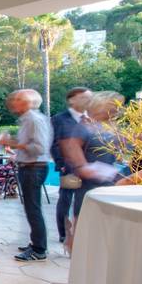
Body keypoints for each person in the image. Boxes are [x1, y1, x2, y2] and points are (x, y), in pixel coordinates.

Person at [0, 89, 53, 261]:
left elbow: (39, 148)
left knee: (33, 208)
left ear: (27, 102)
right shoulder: (27, 120)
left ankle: (39, 249)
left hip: (33, 168)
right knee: (31, 208)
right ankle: (37, 242)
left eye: (18, 99)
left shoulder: (34, 120)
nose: (13, 102)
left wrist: (11, 143)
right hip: (29, 167)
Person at [61, 91, 127, 216]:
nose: (119, 110)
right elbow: (80, 166)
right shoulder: (83, 128)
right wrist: (113, 174)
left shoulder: (110, 127)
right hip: (91, 190)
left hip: (109, 188)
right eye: (115, 106)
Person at [51, 87, 92, 243]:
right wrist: (61, 164)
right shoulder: (59, 119)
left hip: (89, 169)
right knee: (65, 200)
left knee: (84, 201)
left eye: (89, 97)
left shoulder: (92, 119)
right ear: (72, 100)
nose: (88, 100)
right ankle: (64, 233)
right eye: (83, 97)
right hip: (68, 168)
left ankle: (81, 232)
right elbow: (54, 143)